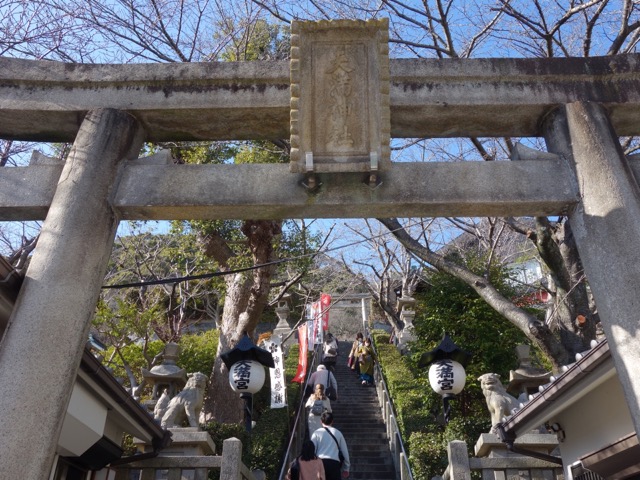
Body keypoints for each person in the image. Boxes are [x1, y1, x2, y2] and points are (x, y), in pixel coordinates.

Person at [311, 412, 350, 480]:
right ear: (332, 421)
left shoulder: (317, 433)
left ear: (321, 421)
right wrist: (346, 467)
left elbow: (311, 450)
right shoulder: (338, 433)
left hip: (320, 463)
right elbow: (345, 452)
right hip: (334, 464)